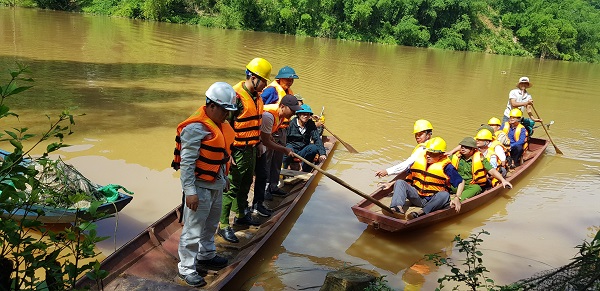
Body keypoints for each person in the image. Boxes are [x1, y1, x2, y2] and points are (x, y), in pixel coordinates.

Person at [171, 82, 237, 287]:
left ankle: (206, 255)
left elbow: (220, 157)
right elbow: (188, 163)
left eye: (229, 111)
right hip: (199, 187)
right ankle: (186, 268)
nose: (227, 115)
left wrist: (224, 179)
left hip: (215, 184)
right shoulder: (195, 128)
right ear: (212, 105)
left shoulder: (219, 125)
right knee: (193, 229)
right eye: (225, 110)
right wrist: (190, 192)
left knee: (210, 224)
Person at [219, 58, 272, 244]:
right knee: (231, 187)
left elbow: (255, 123)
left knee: (246, 182)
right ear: (253, 77)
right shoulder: (236, 97)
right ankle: (223, 224)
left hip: (250, 149)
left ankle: (241, 214)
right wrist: (228, 154)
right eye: (264, 81)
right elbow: (225, 126)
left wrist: (258, 142)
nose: (266, 85)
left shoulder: (257, 97)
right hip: (236, 150)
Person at [382, 137, 465, 219]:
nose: (428, 155)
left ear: (441, 155)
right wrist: (391, 183)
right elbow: (407, 177)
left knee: (445, 195)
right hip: (417, 197)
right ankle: (396, 208)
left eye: (432, 154)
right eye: (428, 152)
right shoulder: (419, 161)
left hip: (433, 200)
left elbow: (461, 182)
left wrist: (457, 197)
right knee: (399, 182)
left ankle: (420, 213)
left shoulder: (447, 167)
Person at [252, 95, 300, 216]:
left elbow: (267, 135)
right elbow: (266, 142)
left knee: (263, 176)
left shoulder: (279, 116)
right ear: (283, 106)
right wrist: (284, 149)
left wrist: (271, 137)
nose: (294, 113)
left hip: (259, 143)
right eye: (292, 110)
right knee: (261, 175)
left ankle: (258, 204)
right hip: (254, 145)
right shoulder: (269, 116)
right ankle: (254, 206)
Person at [260, 66, 299, 199]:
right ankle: (264, 189)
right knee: (268, 160)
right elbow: (259, 105)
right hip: (270, 129)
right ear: (279, 78)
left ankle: (273, 186)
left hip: (281, 128)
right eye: (287, 79)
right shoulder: (272, 90)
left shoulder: (288, 92)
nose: (289, 82)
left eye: (291, 80)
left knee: (277, 160)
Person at [283, 104, 327, 172]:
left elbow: (317, 138)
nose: (305, 116)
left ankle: (304, 170)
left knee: (313, 148)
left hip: (303, 151)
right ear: (299, 114)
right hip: (292, 150)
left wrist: (322, 153)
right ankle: (285, 169)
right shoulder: (290, 124)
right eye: (303, 114)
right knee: (287, 148)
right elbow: (284, 140)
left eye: (308, 114)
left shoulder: (310, 124)